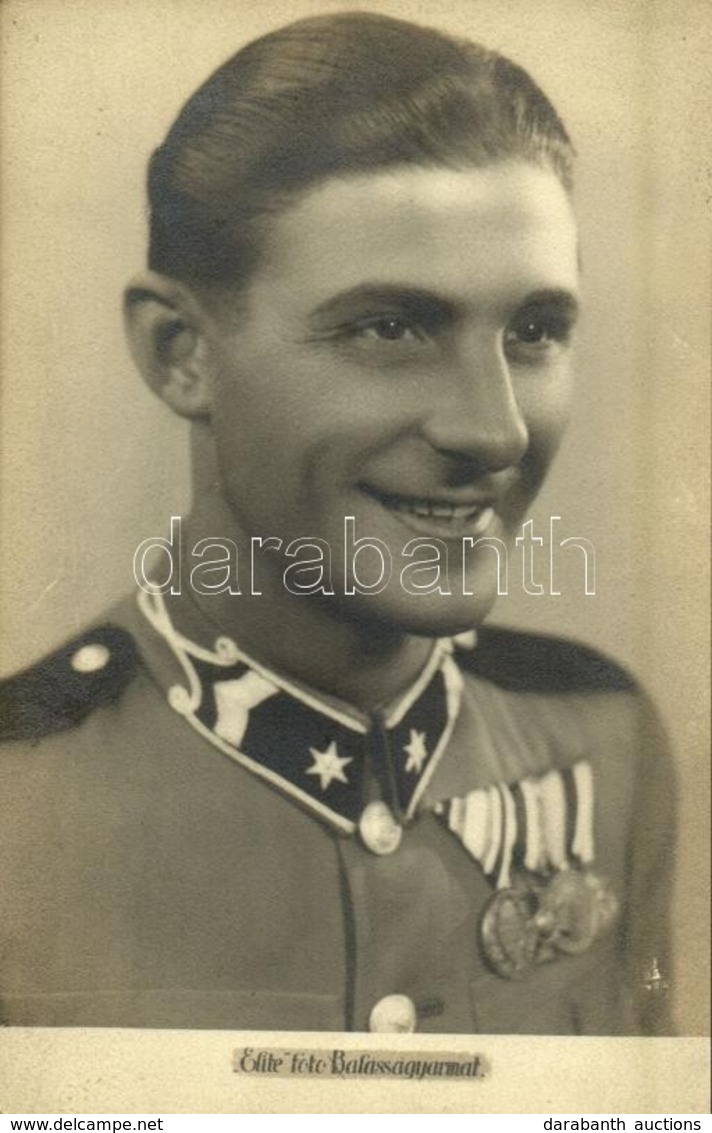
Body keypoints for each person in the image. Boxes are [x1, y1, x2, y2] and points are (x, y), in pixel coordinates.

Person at [0, 11, 674, 1034]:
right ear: (181, 351)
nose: (492, 430)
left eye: (535, 330)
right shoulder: (23, 791)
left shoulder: (603, 739)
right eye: (388, 327)